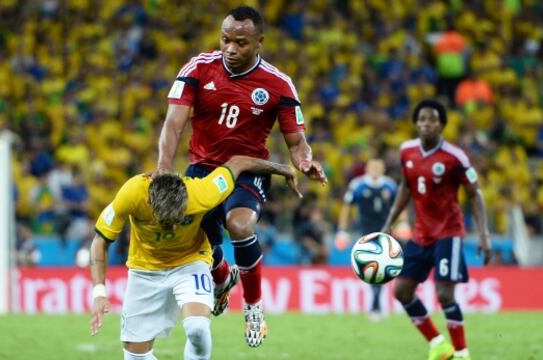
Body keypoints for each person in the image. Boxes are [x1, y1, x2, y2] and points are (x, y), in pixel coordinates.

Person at [155, 5, 327, 347]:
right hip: (202, 169)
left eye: (241, 43)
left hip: (249, 169)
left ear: (259, 42)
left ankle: (253, 306)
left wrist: (305, 161)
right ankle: (222, 279)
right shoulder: (198, 68)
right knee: (198, 243)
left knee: (240, 224)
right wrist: (163, 168)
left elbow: (296, 141)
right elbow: (174, 122)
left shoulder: (279, 84)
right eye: (225, 40)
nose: (230, 49)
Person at [89, 155, 301, 360]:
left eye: (179, 220)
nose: (172, 227)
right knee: (135, 356)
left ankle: (222, 278)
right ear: (149, 202)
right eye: (166, 222)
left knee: (197, 328)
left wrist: (284, 169)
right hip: (144, 270)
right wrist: (99, 292)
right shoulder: (132, 193)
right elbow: (100, 241)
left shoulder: (202, 192)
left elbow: (239, 162)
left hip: (190, 262)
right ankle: (223, 278)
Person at [381, 99, 492, 360]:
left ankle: (462, 353)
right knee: (402, 291)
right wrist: (389, 222)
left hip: (448, 233)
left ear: (441, 124)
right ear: (416, 124)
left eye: (432, 120)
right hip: (421, 234)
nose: (426, 124)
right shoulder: (407, 151)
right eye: (422, 120)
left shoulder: (455, 157)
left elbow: (475, 194)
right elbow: (405, 188)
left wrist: (484, 234)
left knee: (444, 294)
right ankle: (439, 343)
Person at [335, 158, 398, 321]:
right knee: (372, 268)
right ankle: (376, 306)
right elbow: (347, 207)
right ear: (367, 169)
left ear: (383, 169)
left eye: (379, 167)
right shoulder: (357, 185)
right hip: (366, 233)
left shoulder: (390, 185)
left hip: (386, 232)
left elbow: (399, 206)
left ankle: (376, 305)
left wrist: (404, 223)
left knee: (382, 268)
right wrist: (343, 229)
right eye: (373, 167)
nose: (376, 170)